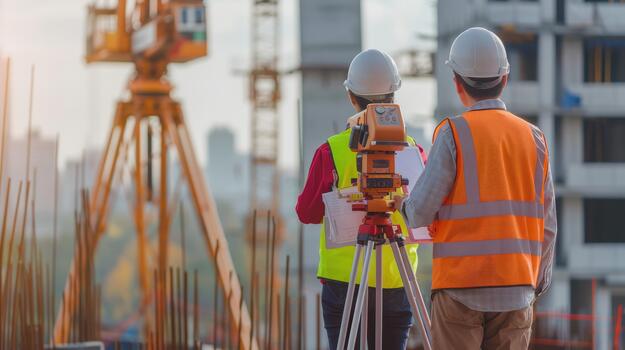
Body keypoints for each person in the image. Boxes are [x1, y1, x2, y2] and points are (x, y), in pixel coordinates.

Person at [395, 27, 557, 350]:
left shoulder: (453, 134)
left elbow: (419, 213)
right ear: (505, 80)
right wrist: (534, 283)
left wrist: (401, 203)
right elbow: (548, 226)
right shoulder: (535, 139)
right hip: (516, 289)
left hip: (459, 290)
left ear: (457, 84)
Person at [296, 48, 428, 350]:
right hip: (397, 282)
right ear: (393, 97)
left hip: (345, 282)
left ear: (351, 97)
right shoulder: (414, 151)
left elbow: (306, 212)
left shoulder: (333, 149)